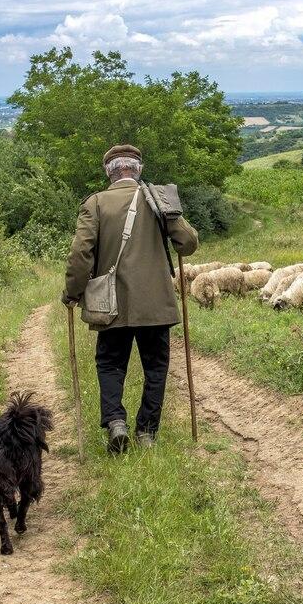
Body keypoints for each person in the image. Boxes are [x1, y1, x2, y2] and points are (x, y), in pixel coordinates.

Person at [62, 144, 199, 453]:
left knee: (110, 364)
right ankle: (147, 433)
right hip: (156, 306)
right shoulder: (158, 200)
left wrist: (72, 292)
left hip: (111, 305)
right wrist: (170, 212)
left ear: (109, 172)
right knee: (156, 367)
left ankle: (115, 423)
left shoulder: (95, 204)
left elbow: (80, 254)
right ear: (138, 169)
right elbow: (188, 244)